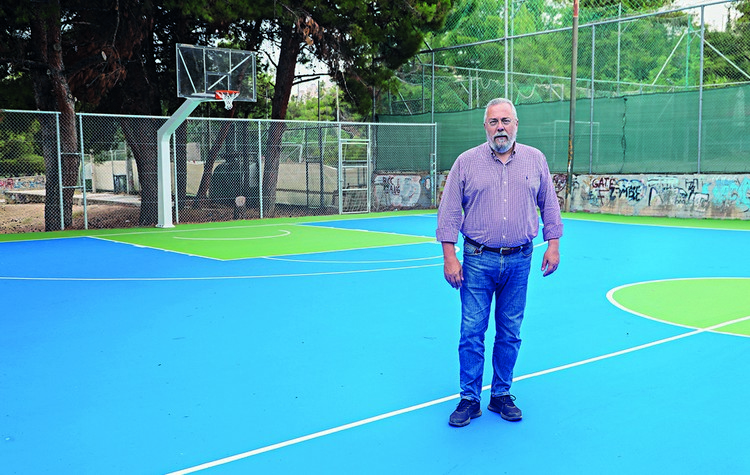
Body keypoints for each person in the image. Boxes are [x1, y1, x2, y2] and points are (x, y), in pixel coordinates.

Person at [436, 97, 563, 427]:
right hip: (477, 260)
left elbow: (549, 204)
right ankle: (469, 398)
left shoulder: (535, 160)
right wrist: (449, 257)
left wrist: (553, 245)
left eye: (506, 121)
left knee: (510, 332)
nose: (500, 127)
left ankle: (501, 394)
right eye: (494, 122)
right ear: (485, 127)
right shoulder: (466, 162)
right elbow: (449, 211)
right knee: (471, 331)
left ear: (516, 124)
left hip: (520, 260)